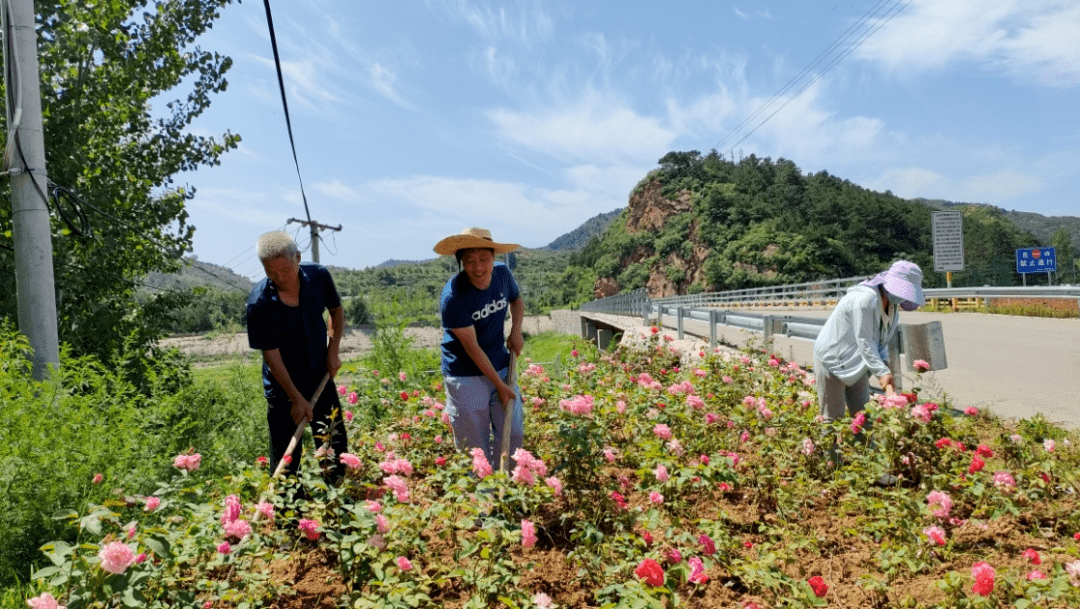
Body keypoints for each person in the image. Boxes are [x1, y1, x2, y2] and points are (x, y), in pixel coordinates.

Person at [246, 230, 348, 482]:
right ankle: (289, 518)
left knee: (333, 443)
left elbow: (336, 311)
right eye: (271, 272)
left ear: (298, 258)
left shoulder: (319, 277)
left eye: (285, 269)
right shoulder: (259, 304)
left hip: (319, 375)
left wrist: (332, 352)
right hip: (283, 389)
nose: (280, 278)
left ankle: (339, 505)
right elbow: (271, 354)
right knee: (286, 460)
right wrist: (295, 398)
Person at [434, 227, 525, 471]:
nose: (478, 268)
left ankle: (509, 493)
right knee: (475, 445)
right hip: (465, 373)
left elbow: (516, 300)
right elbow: (473, 350)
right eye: (469, 261)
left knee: (513, 433)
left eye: (483, 259)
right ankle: (482, 504)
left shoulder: (503, 275)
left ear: (493, 256)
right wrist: (499, 386)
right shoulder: (454, 297)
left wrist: (516, 329)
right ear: (461, 262)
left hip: (499, 362)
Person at [813, 260, 925, 422]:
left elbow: (881, 341)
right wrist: (882, 373)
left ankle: (862, 447)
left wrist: (885, 366)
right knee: (832, 419)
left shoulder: (893, 310)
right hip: (832, 359)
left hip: (858, 360)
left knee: (863, 417)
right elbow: (865, 341)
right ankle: (828, 448)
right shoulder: (864, 300)